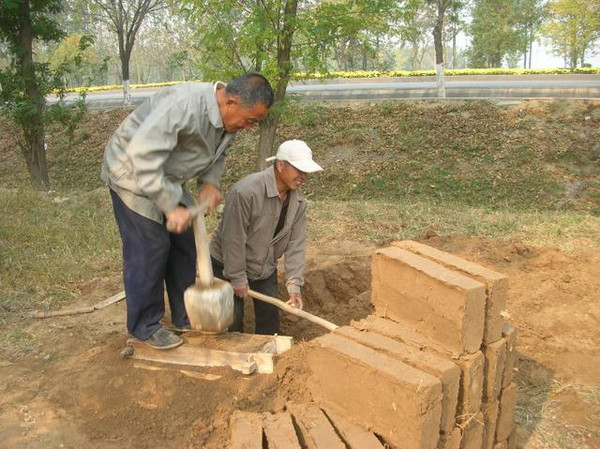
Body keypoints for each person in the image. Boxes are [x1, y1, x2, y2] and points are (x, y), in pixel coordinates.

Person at [101, 73, 274, 349]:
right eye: (250, 120)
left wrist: (209, 182)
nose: (249, 127)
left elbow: (219, 153)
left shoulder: (229, 121)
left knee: (184, 245)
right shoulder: (183, 108)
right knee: (151, 246)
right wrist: (170, 208)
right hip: (132, 171)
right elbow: (142, 158)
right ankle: (145, 326)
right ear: (230, 102)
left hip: (169, 175)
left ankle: (186, 315)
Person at [210, 140, 323, 335]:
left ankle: (272, 356)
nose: (303, 176)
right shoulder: (245, 192)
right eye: (299, 170)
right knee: (232, 320)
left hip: (263, 266)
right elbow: (233, 238)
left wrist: (294, 284)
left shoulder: (298, 202)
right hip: (226, 265)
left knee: (270, 319)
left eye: (306, 172)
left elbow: (296, 244)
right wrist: (237, 277)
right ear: (281, 165)